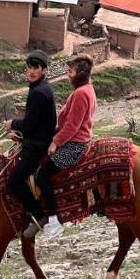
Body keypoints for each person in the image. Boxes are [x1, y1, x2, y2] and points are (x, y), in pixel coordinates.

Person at [32, 53, 97, 240]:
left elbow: (72, 126)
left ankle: (53, 219)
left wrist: (55, 142)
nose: (68, 74)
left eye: (71, 71)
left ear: (80, 74)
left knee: (42, 175)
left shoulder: (80, 93)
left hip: (74, 146)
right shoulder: (87, 90)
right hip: (77, 140)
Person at [3, 50, 56, 239]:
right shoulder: (39, 87)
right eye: (29, 67)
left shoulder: (39, 92)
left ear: (44, 70)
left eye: (36, 67)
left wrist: (13, 125)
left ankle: (39, 216)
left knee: (14, 182)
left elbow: (30, 124)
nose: (31, 71)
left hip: (37, 146)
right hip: (35, 140)